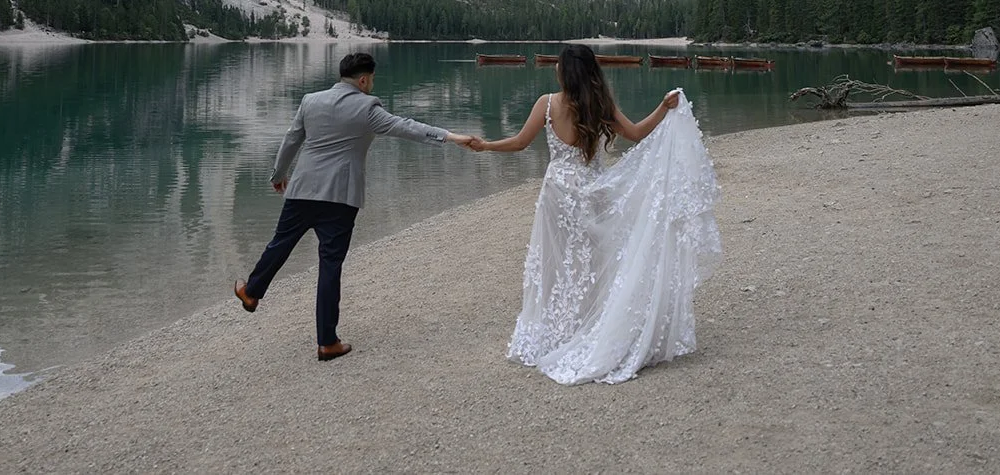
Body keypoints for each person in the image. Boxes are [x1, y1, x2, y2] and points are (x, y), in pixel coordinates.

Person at [465, 43, 721, 384]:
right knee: (597, 261)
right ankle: (594, 323)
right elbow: (637, 134)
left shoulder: (547, 104)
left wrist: (485, 145)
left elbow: (519, 142)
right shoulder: (601, 104)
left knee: (556, 265)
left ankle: (559, 332)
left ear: (563, 71)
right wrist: (662, 107)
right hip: (593, 193)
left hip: (557, 194)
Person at [234, 51, 476, 361]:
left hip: (302, 190)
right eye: (371, 80)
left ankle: (251, 292)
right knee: (330, 266)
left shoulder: (311, 101)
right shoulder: (367, 108)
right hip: (340, 198)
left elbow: (292, 139)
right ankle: (326, 342)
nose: (372, 85)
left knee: (280, 244)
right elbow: (406, 127)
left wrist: (279, 174)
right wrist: (452, 137)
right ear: (363, 80)